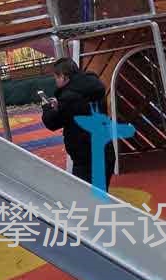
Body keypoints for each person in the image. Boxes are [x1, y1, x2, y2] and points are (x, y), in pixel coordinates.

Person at [41, 57, 115, 189]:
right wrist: (60, 105)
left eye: (56, 77)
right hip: (105, 150)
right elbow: (78, 109)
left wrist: (47, 108)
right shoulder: (94, 86)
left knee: (84, 196)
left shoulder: (69, 97)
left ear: (64, 76)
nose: (56, 81)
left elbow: (52, 122)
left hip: (86, 158)